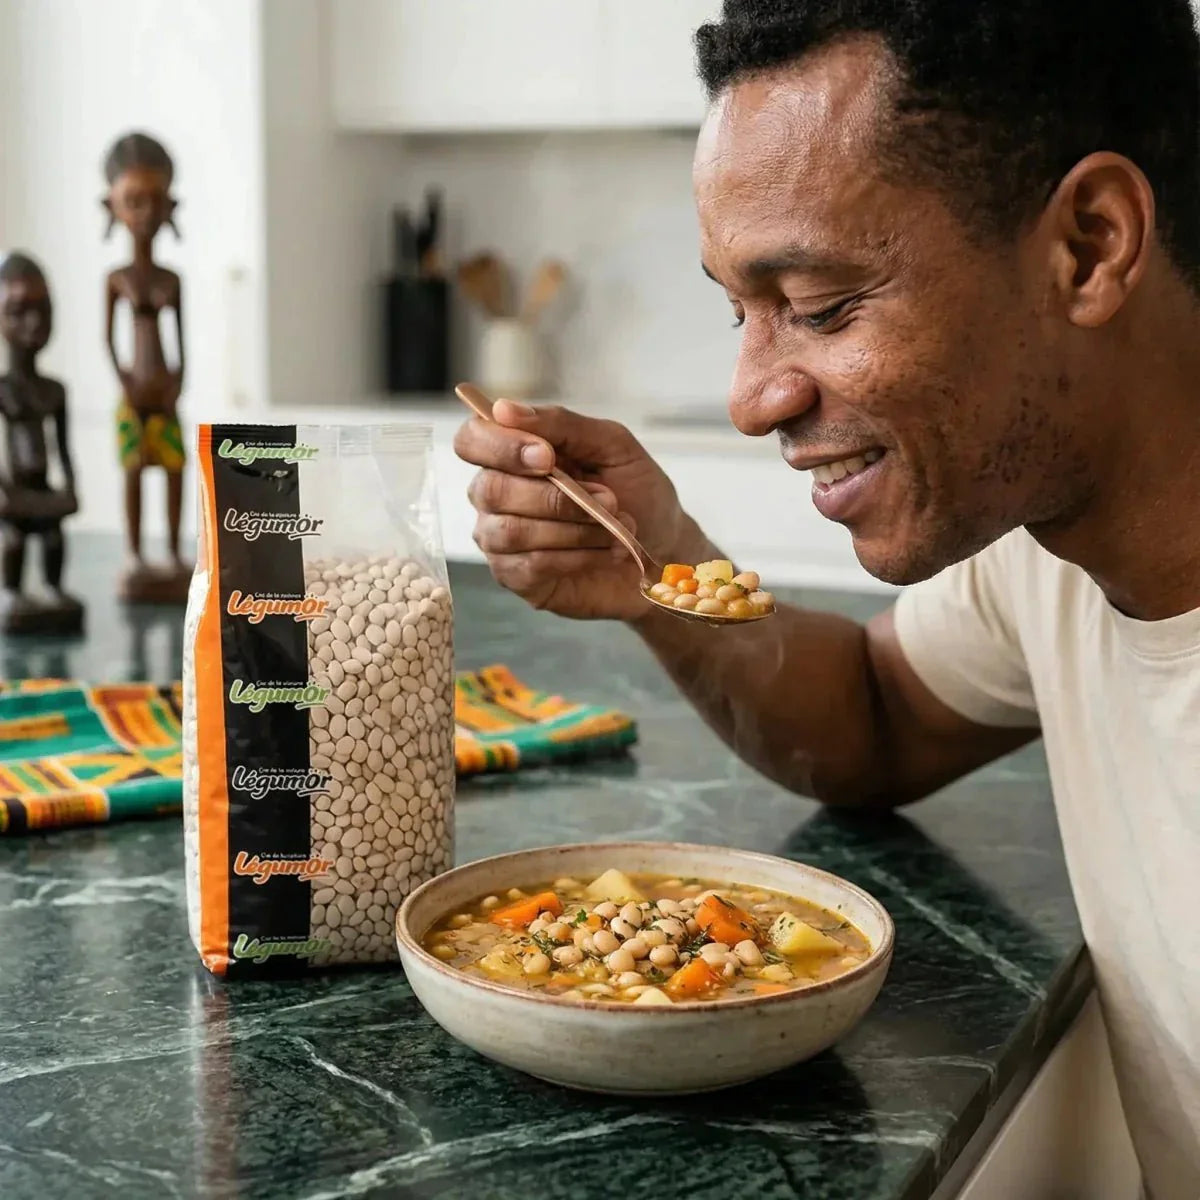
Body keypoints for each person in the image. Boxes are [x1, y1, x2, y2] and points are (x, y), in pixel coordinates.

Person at [454, 0, 1200, 1194]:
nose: (752, 398)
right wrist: (661, 568)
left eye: (820, 304)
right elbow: (874, 715)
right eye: (736, 311)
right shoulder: (1045, 548)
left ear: (1090, 247)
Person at [102, 130, 188, 594]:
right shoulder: (115, 279)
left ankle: (173, 551)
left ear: (170, 207)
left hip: (164, 391)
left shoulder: (171, 280)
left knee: (175, 468)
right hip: (133, 393)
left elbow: (182, 341)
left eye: (155, 201)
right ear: (111, 206)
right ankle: (135, 553)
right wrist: (122, 380)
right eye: (133, 200)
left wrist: (178, 382)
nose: (146, 213)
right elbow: (109, 341)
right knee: (134, 469)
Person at [0, 252, 81, 631]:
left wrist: (70, 487)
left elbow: (64, 450)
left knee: (52, 538)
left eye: (43, 309)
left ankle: (52, 587)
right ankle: (12, 592)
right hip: (13, 494)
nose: (34, 323)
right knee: (13, 540)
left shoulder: (54, 391)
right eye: (18, 311)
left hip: (43, 491)